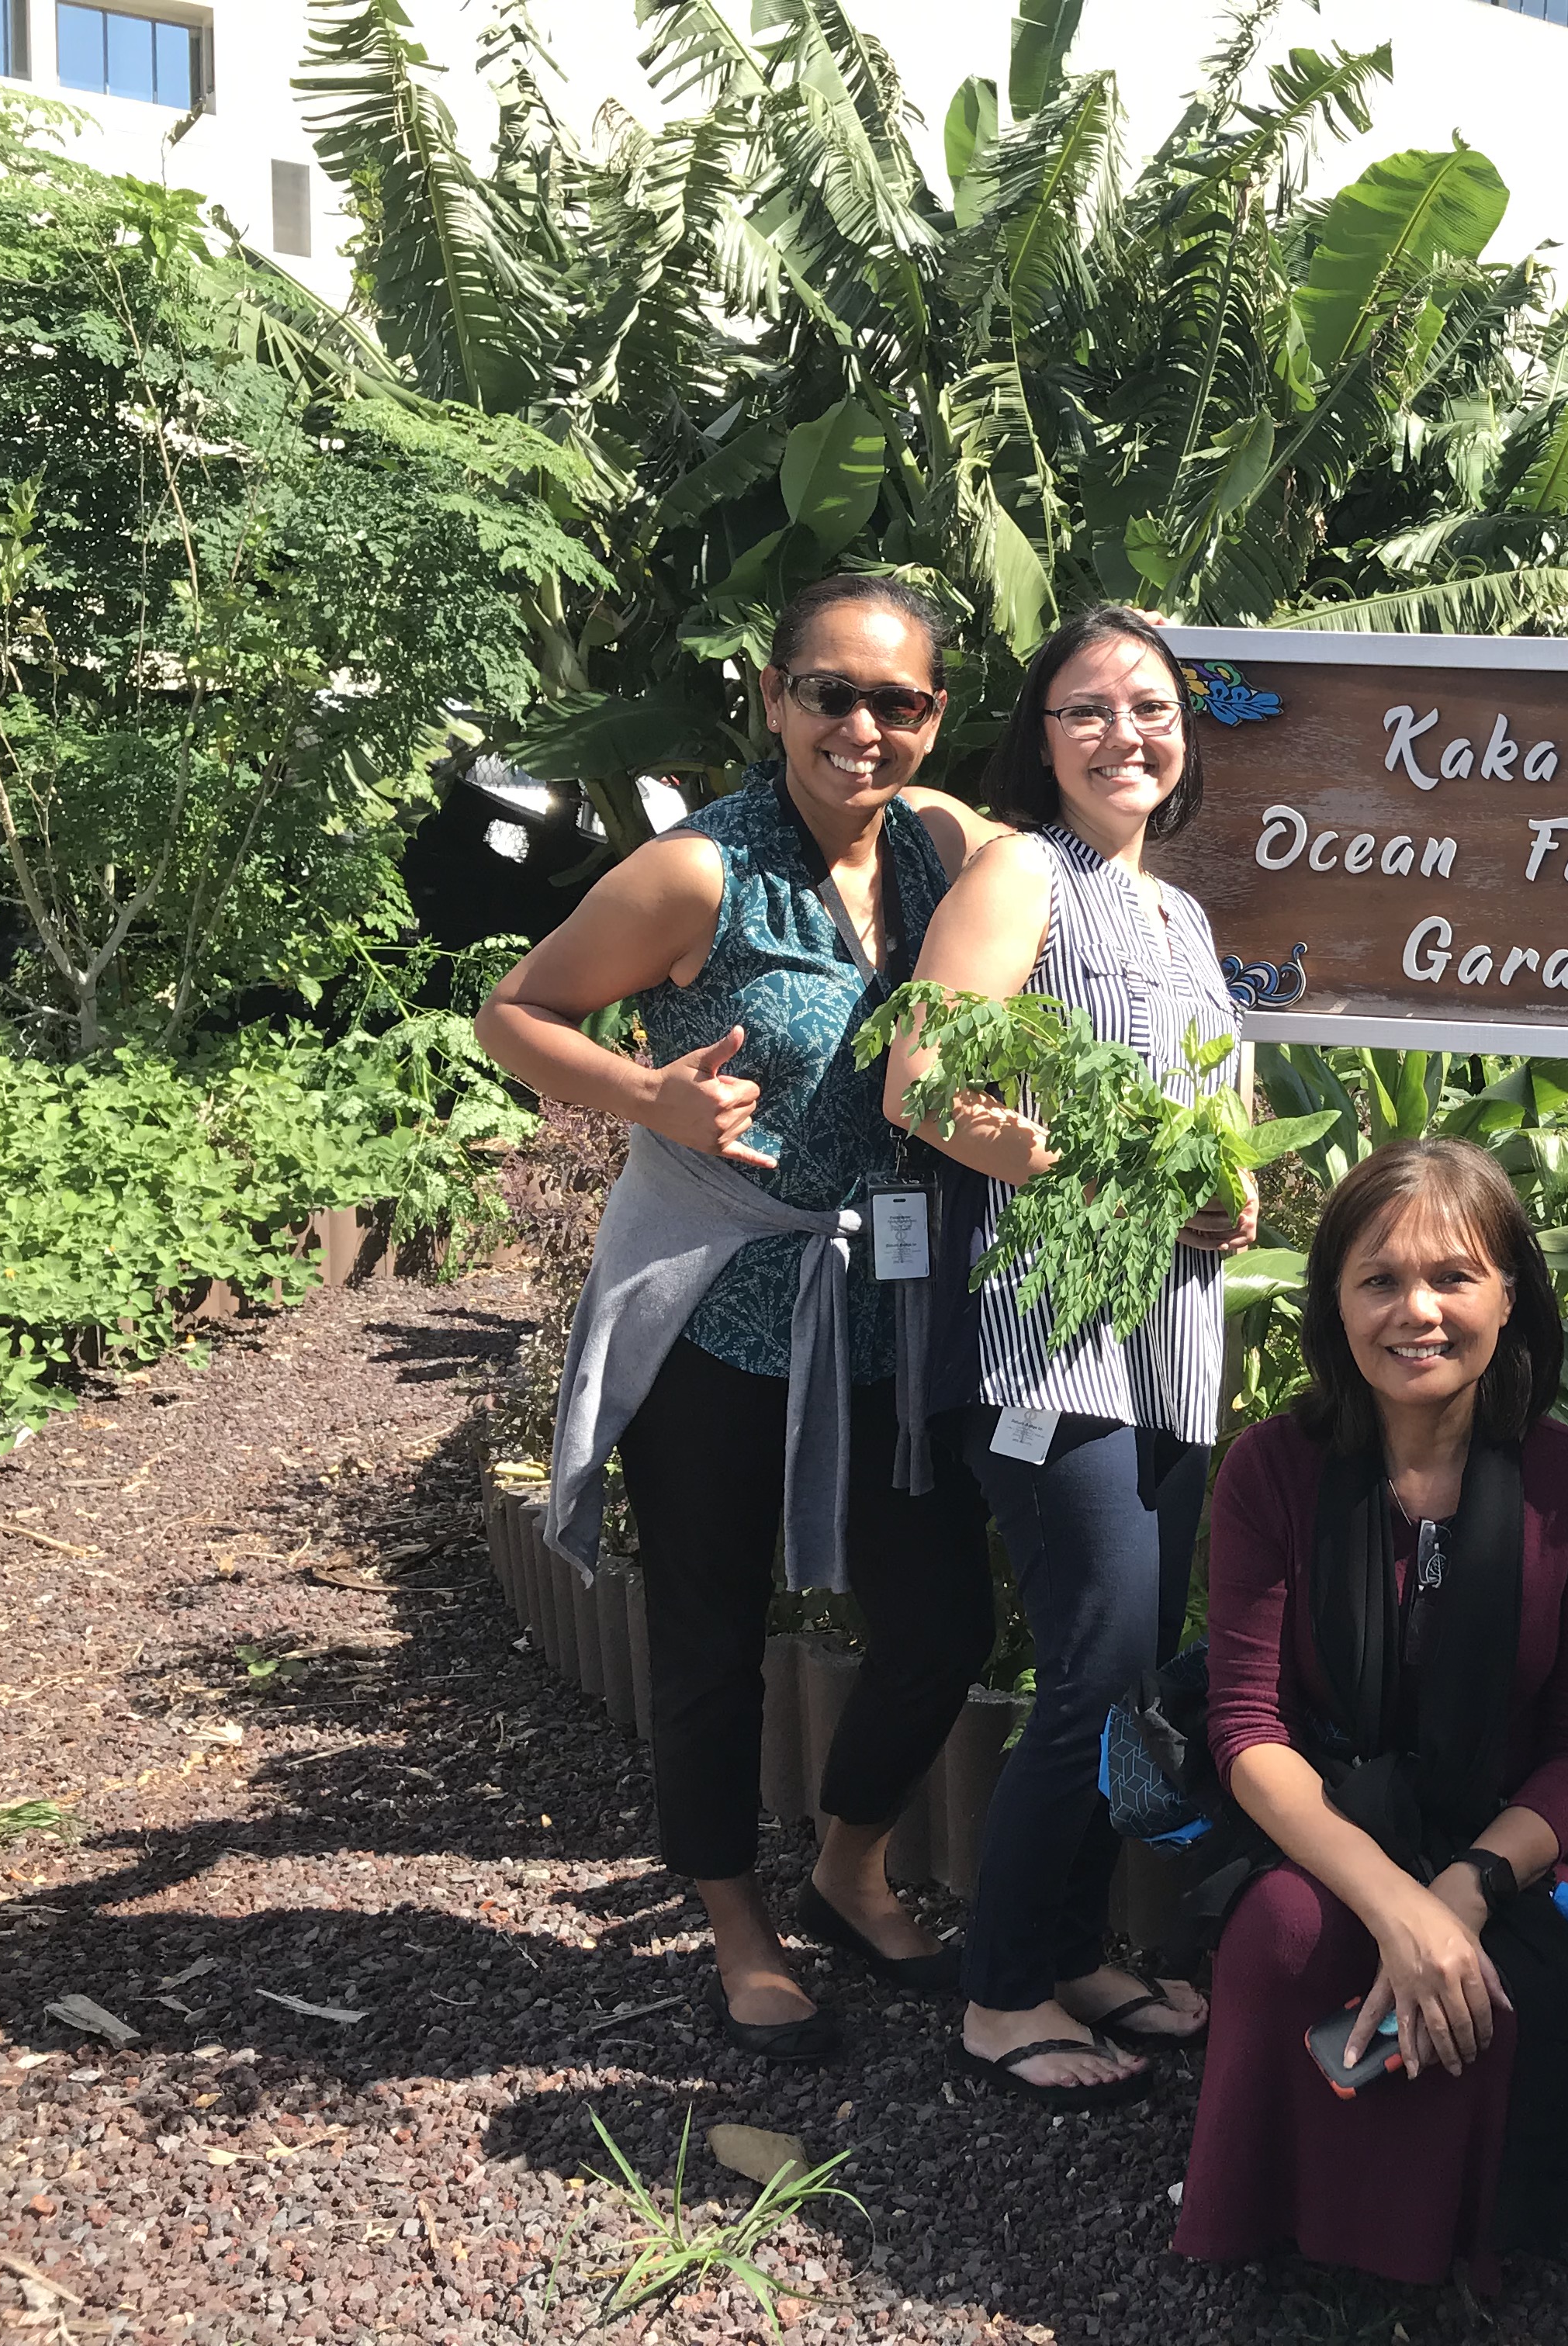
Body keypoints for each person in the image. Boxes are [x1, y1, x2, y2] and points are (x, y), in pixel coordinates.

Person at [479, 573, 1014, 2063]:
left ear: (934, 719)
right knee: (714, 1627)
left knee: (940, 1619)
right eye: (829, 693)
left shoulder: (943, 850)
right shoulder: (700, 873)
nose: (862, 726)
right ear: (774, 695)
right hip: (719, 1309)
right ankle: (734, 1915)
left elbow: (1058, 880)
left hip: (890, 1312)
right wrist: (648, 1095)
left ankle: (849, 1869)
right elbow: (514, 1013)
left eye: (897, 702)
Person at [884, 604, 1256, 2109]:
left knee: (1140, 1674)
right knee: (1094, 1664)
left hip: (1170, 1341)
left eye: (1152, 708)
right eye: (1089, 709)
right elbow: (923, 1080)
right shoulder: (1021, 870)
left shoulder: (1182, 917)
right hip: (1053, 1341)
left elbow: (1198, 1118)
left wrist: (1226, 1191)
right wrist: (1052, 1163)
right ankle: (999, 1992)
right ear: (1041, 741)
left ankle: (1078, 1947)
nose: (1126, 733)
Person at [1172, 1140, 1568, 2291]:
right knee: (1288, 1935)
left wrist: (1463, 1893)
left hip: (1523, 1837)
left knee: (1498, 1980)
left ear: (1511, 1295)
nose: (1416, 1311)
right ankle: (1294, 2227)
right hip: (1339, 1811)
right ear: (1333, 1302)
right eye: (1379, 1280)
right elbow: (1248, 1732)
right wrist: (1396, 1907)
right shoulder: (1271, 1471)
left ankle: (1464, 2245)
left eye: (1454, 1277)